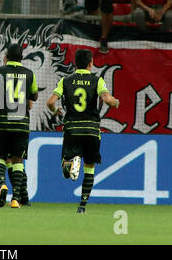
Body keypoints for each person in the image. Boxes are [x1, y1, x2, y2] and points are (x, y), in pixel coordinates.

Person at [46, 49, 120, 214]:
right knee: (90, 168)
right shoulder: (97, 80)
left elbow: (50, 101)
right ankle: (82, 206)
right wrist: (115, 102)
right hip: (92, 129)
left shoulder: (66, 80)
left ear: (75, 63)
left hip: (72, 128)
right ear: (90, 64)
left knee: (66, 165)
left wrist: (54, 110)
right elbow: (107, 99)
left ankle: (72, 161)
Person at [0, 44, 38, 209]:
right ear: (22, 57)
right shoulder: (29, 74)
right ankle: (16, 198)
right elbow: (35, 96)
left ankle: (2, 184)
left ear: (7, 56)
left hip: (3, 122)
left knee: (1, 157)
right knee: (18, 160)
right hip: (22, 124)